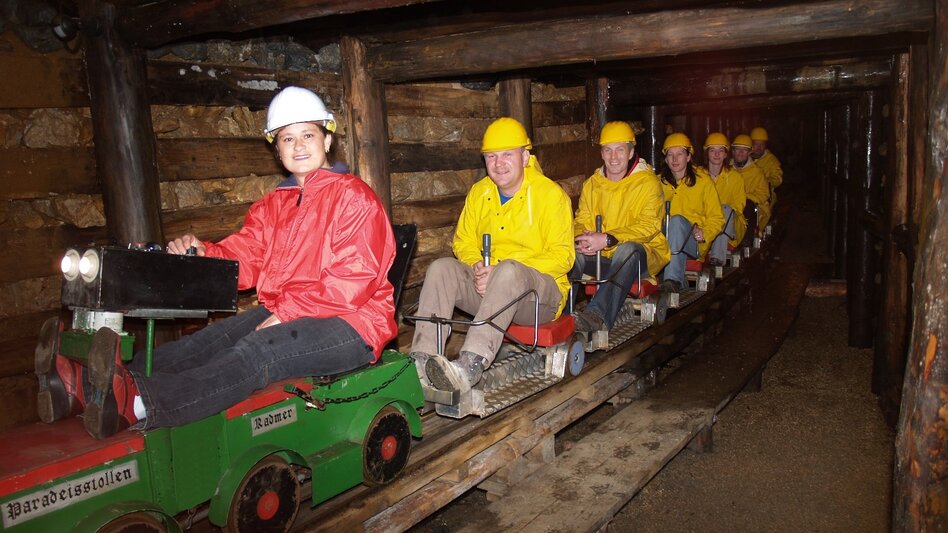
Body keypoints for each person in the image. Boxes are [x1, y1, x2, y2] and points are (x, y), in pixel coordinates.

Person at [38, 86, 399, 439]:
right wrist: (203, 253)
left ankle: (139, 403)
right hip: (290, 310)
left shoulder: (354, 198)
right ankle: (89, 390)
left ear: (327, 140)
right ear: (277, 148)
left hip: (354, 324)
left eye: (308, 134)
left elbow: (354, 279)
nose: (299, 145)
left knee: (259, 351)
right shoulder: (274, 204)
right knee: (205, 343)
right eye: (287, 139)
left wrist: (286, 314)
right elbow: (245, 259)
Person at [413, 117, 574, 393]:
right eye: (491, 157)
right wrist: (477, 266)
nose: (499, 164)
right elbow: (463, 240)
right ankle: (422, 360)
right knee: (442, 268)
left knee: (510, 270)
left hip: (539, 298)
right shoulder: (480, 193)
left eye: (507, 155)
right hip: (489, 290)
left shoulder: (551, 196)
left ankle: (470, 364)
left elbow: (563, 257)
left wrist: (500, 271)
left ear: (525, 156)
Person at [570, 121, 669, 332]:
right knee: (571, 253)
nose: (613, 157)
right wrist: (583, 239)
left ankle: (597, 315)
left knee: (628, 249)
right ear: (602, 154)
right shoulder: (592, 185)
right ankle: (562, 315)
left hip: (639, 258)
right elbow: (581, 220)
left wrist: (607, 238)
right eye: (608, 150)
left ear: (631, 152)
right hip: (601, 256)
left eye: (620, 150)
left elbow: (649, 225)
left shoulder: (648, 184)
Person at [658, 133, 724, 292]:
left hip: (692, 242)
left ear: (688, 157)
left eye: (679, 154)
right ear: (666, 159)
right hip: (663, 241)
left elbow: (717, 217)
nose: (674, 159)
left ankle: (672, 280)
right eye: (670, 155)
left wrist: (704, 233)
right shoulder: (657, 183)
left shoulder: (703, 182)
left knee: (677, 221)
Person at [701, 132, 746, 265]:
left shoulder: (735, 177)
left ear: (726, 154)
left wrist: (716, 213)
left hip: (728, 225)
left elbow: (738, 206)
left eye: (721, 151)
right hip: (705, 222)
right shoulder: (698, 175)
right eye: (712, 150)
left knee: (724, 208)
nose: (716, 154)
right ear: (707, 153)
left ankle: (717, 256)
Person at [731, 134, 771, 241]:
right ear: (733, 151)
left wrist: (745, 197)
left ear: (749, 153)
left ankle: (746, 241)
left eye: (744, 150)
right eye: (738, 150)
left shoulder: (757, 173)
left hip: (750, 208)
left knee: (748, 206)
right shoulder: (726, 171)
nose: (740, 153)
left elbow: (764, 194)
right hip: (731, 206)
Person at [750, 126, 783, 207]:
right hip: (747, 194)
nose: (759, 147)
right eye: (756, 144)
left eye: (762, 144)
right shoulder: (744, 158)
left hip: (766, 197)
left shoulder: (771, 160)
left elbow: (778, 179)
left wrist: (764, 182)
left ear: (765, 145)